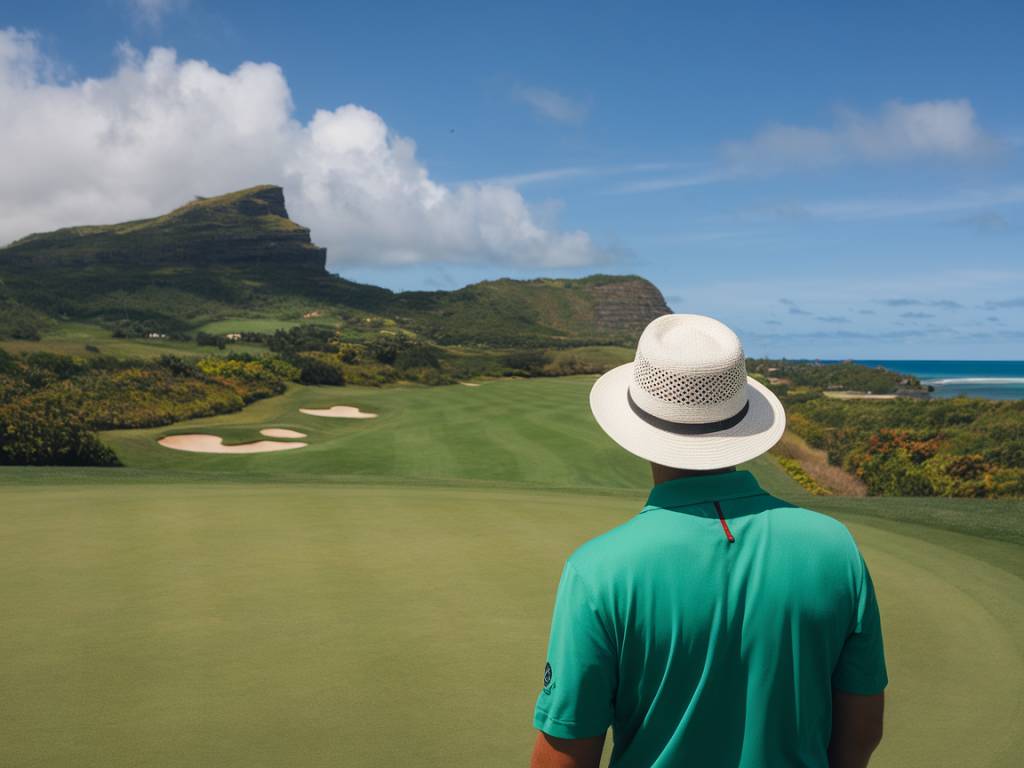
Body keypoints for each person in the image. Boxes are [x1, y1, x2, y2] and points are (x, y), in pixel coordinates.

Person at [530, 314, 887, 768]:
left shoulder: (597, 571)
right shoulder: (837, 548)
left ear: (637, 428)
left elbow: (564, 758)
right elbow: (861, 734)